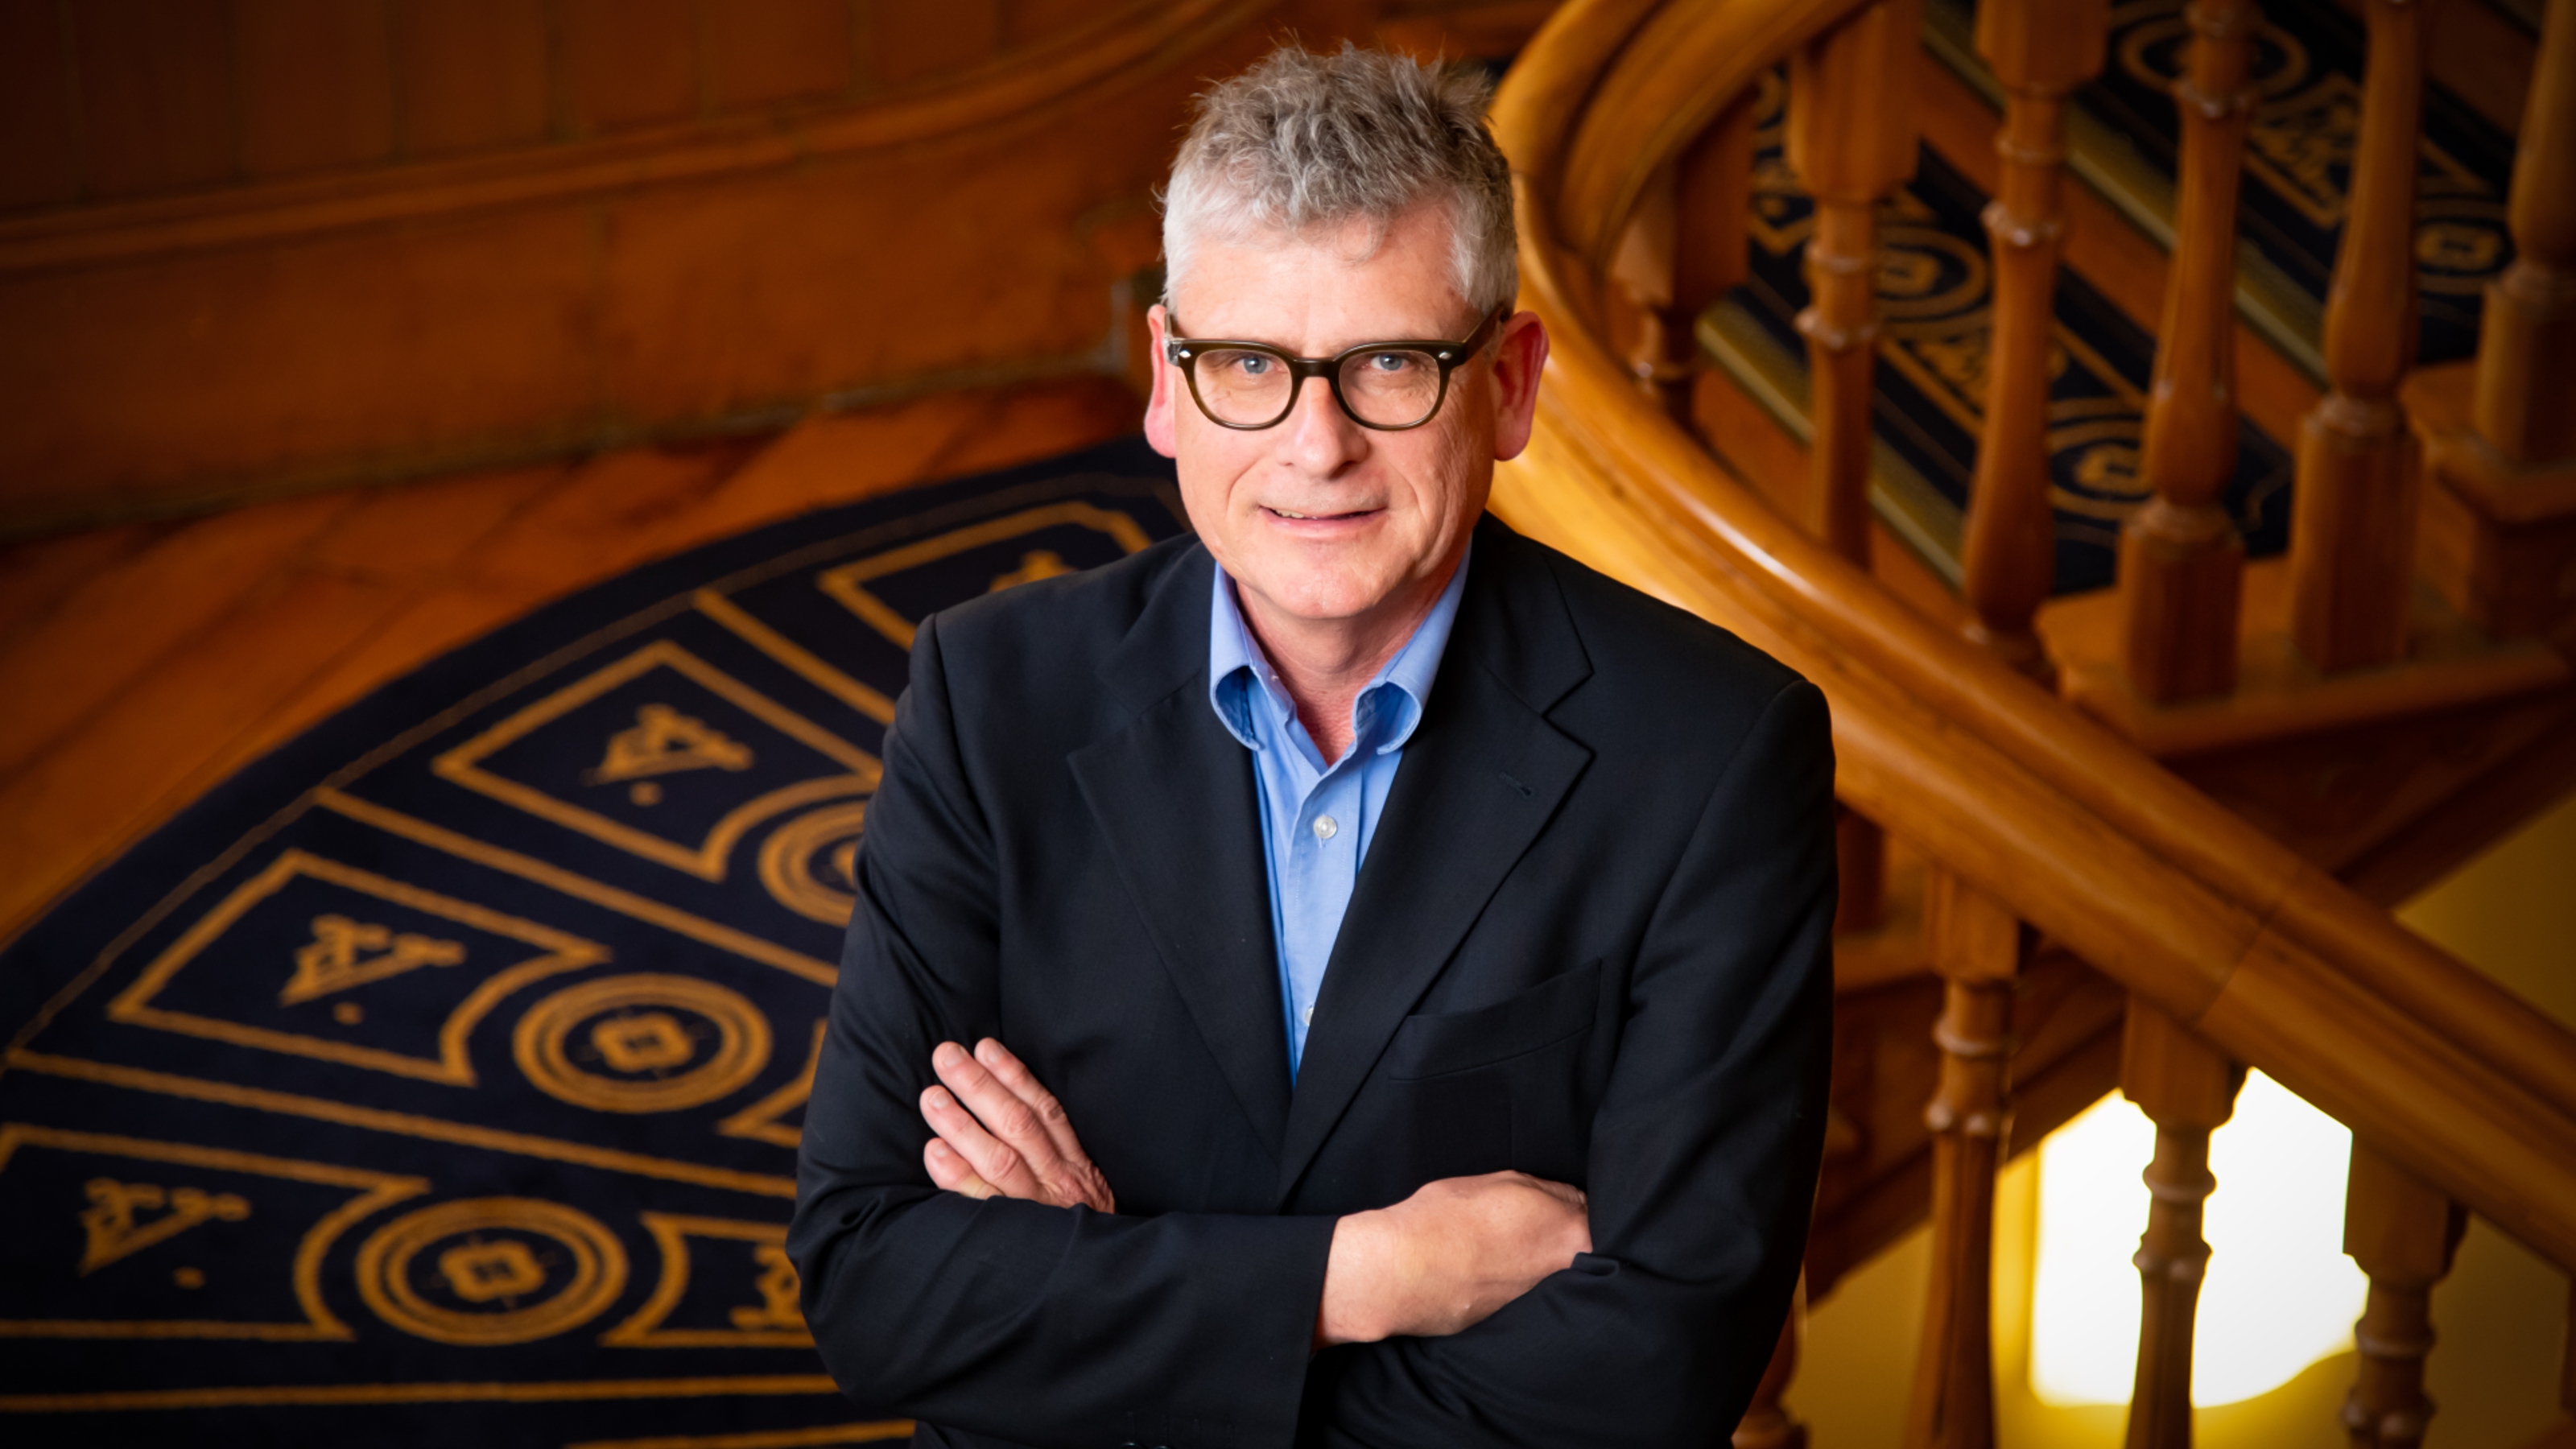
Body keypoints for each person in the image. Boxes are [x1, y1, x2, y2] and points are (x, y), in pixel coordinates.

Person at [787, 43, 1835, 1449]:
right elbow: (873, 1281)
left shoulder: (1715, 756)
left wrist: (1097, 1313)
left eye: (1391, 364)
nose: (1315, 445)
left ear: (1510, 385)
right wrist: (1363, 1278)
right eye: (1247, 366)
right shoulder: (990, 701)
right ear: (1167, 381)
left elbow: (1653, 1373)